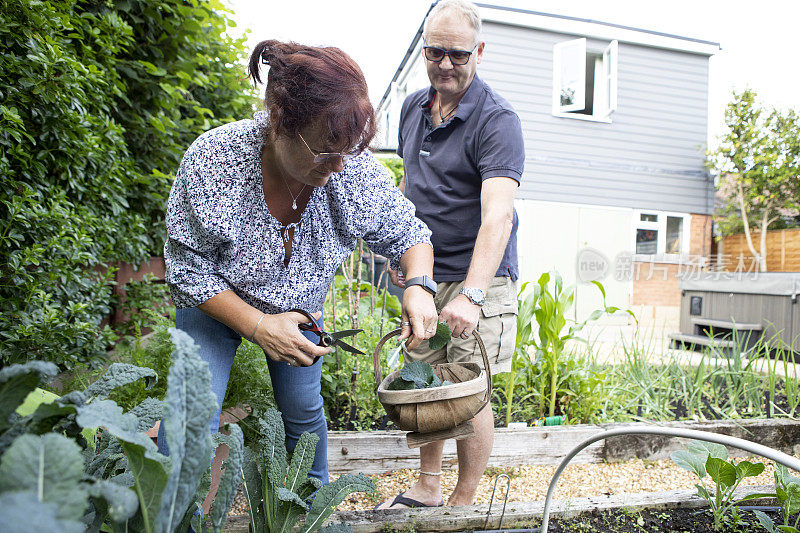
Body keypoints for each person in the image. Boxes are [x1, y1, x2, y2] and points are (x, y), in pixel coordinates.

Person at [162, 40, 439, 515]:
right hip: (217, 295)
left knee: (304, 415)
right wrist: (256, 325)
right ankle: (170, 522)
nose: (338, 167)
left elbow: (410, 234)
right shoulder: (215, 161)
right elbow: (186, 268)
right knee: (191, 416)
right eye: (326, 150)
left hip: (300, 307)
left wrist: (419, 285)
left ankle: (311, 518)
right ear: (278, 123)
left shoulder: (348, 167)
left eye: (348, 151)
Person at [379, 0, 524, 509]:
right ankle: (428, 485)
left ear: (479, 51)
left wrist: (473, 294)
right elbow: (408, 184)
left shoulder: (497, 120)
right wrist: (402, 254)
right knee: (424, 377)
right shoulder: (413, 107)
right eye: (434, 51)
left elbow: (498, 216)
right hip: (425, 274)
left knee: (468, 388)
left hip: (477, 277)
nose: (444, 63)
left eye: (457, 55)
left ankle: (462, 503)